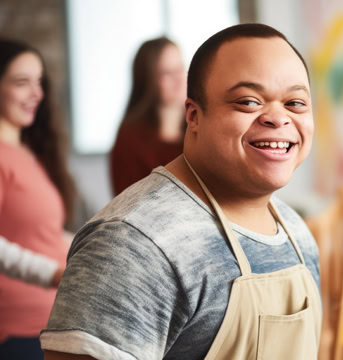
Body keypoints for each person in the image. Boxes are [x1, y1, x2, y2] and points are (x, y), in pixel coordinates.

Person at [41, 23, 320, 359]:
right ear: (194, 116)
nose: (278, 118)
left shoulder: (295, 232)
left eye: (295, 103)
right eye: (247, 102)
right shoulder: (133, 243)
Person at [0, 39, 76, 359]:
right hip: (18, 330)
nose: (37, 94)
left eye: (39, 82)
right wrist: (52, 273)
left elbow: (42, 234)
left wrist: (95, 246)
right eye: (22, 83)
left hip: (51, 319)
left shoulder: (27, 153)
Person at [110, 37, 186, 196]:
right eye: (167, 73)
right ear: (148, 79)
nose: (179, 79)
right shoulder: (130, 139)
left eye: (180, 69)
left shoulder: (202, 128)